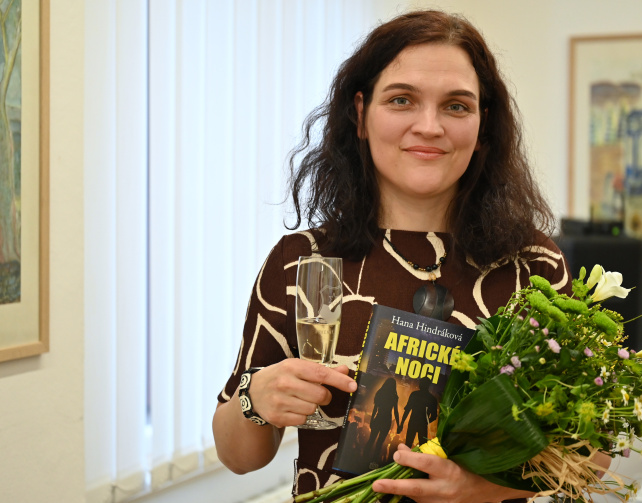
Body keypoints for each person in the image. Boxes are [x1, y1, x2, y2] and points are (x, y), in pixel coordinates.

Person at [212, 9, 598, 503]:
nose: (429, 126)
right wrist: (256, 399)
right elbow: (239, 457)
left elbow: (590, 454)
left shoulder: (533, 266)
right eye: (401, 100)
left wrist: (479, 490)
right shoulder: (301, 261)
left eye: (456, 106)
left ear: (483, 126)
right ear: (360, 114)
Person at [363, 377, 400, 464]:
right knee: (380, 443)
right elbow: (396, 412)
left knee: (371, 439)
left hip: (378, 418)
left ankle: (364, 457)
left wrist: (372, 420)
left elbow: (375, 409)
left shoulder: (380, 393)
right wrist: (398, 424)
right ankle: (374, 460)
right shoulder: (394, 397)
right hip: (387, 420)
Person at [399, 377, 438, 448]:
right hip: (423, 426)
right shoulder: (432, 399)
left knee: (408, 445)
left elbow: (407, 410)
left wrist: (401, 424)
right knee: (423, 447)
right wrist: (425, 422)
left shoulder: (414, 395)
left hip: (412, 423)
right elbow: (434, 416)